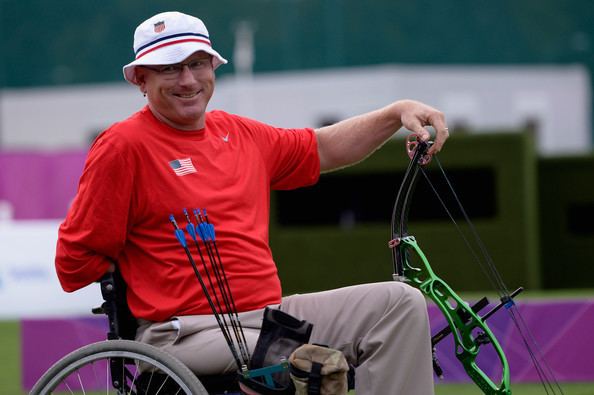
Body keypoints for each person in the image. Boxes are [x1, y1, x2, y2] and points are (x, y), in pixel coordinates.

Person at [55, 11, 449, 395]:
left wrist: (396, 113)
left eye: (197, 64)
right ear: (141, 79)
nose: (188, 80)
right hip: (184, 334)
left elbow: (325, 147)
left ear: (213, 67)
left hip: (270, 315)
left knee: (400, 305)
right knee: (303, 361)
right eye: (170, 69)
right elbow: (74, 263)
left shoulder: (240, 133)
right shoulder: (123, 146)